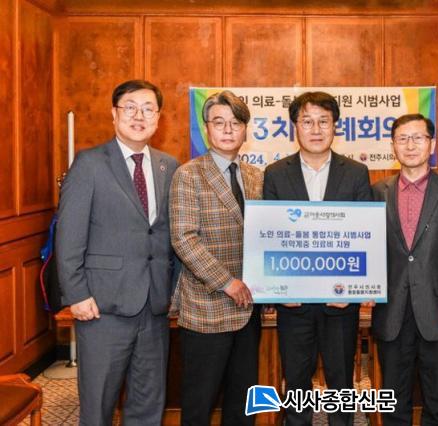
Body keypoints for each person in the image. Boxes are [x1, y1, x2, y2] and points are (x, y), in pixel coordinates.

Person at [56, 79, 179, 425]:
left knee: (148, 403)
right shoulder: (90, 163)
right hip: (102, 307)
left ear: (158, 118)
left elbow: (168, 234)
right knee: (98, 405)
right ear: (114, 113)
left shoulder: (169, 166)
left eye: (148, 109)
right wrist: (76, 294)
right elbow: (69, 234)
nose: (139, 116)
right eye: (130, 108)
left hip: (154, 306)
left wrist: (172, 291)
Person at [263, 91, 372, 426]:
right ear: (295, 126)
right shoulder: (275, 173)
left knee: (341, 383)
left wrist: (353, 289)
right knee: (296, 383)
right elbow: (270, 234)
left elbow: (364, 234)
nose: (315, 129)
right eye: (307, 121)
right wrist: (279, 289)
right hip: (294, 303)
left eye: (324, 121)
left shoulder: (356, 172)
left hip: (340, 302)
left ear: (335, 126)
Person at [169, 91, 263, 426]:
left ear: (245, 130)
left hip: (248, 308)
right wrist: (226, 282)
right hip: (207, 306)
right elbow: (184, 238)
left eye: (235, 123)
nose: (227, 130)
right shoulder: (188, 174)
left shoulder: (255, 175)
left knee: (243, 401)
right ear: (206, 128)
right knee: (200, 402)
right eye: (219, 122)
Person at [371, 114, 438, 425]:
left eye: (418, 138)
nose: (410, 145)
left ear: (432, 144)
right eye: (402, 139)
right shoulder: (377, 192)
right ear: (393, 146)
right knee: (392, 400)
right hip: (391, 309)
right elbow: (367, 248)